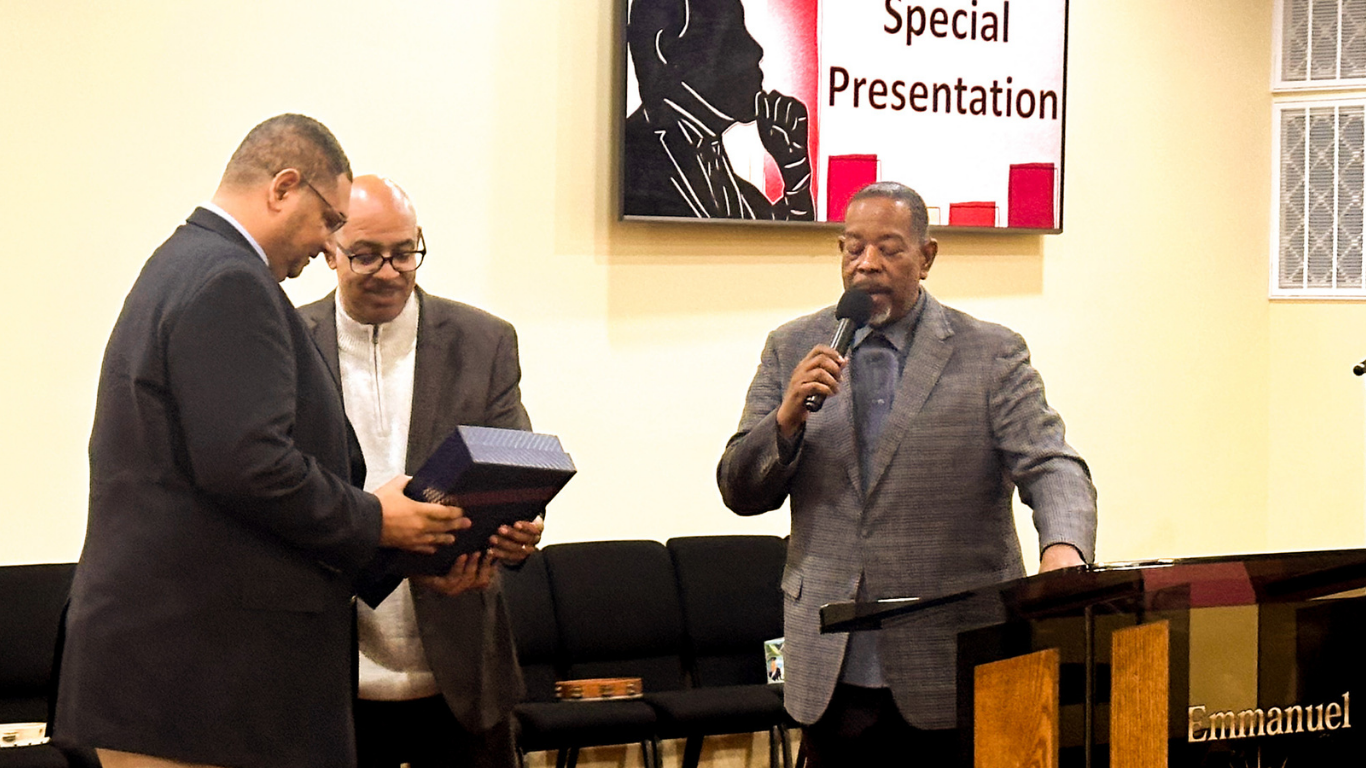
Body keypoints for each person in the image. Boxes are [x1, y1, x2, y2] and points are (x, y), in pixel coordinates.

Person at [55, 115, 467, 768]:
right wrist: (375, 519)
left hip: (176, 675)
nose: (329, 246)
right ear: (283, 187)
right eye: (329, 220)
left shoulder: (187, 262)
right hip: (196, 682)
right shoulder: (231, 281)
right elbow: (249, 466)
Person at [716, 181, 1097, 766]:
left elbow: (1052, 463)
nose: (867, 264)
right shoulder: (792, 346)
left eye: (889, 248)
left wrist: (1063, 550)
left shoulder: (990, 353)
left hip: (954, 656)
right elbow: (740, 490)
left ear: (927, 256)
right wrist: (785, 419)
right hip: (830, 664)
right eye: (853, 248)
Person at [297, 175, 543, 768]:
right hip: (327, 674)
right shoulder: (288, 341)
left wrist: (518, 533)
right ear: (330, 251)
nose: (389, 272)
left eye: (404, 252)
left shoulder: (484, 341)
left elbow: (517, 469)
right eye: (365, 255)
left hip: (462, 673)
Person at [623, 0, 813, 220]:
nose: (755, 50)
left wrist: (795, 174)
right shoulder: (629, 162)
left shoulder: (736, 189)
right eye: (731, 36)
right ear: (667, 49)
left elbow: (778, 241)